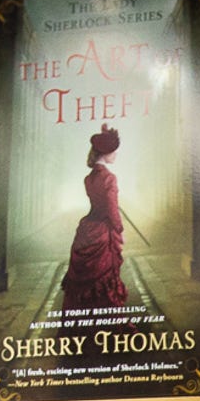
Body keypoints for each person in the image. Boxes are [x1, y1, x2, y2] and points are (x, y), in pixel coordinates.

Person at [62, 126, 128, 311]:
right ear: (105, 152)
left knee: (83, 285)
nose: (115, 154)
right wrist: (119, 231)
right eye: (113, 151)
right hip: (102, 233)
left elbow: (102, 204)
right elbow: (112, 211)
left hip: (87, 230)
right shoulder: (110, 178)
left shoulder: (88, 179)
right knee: (104, 280)